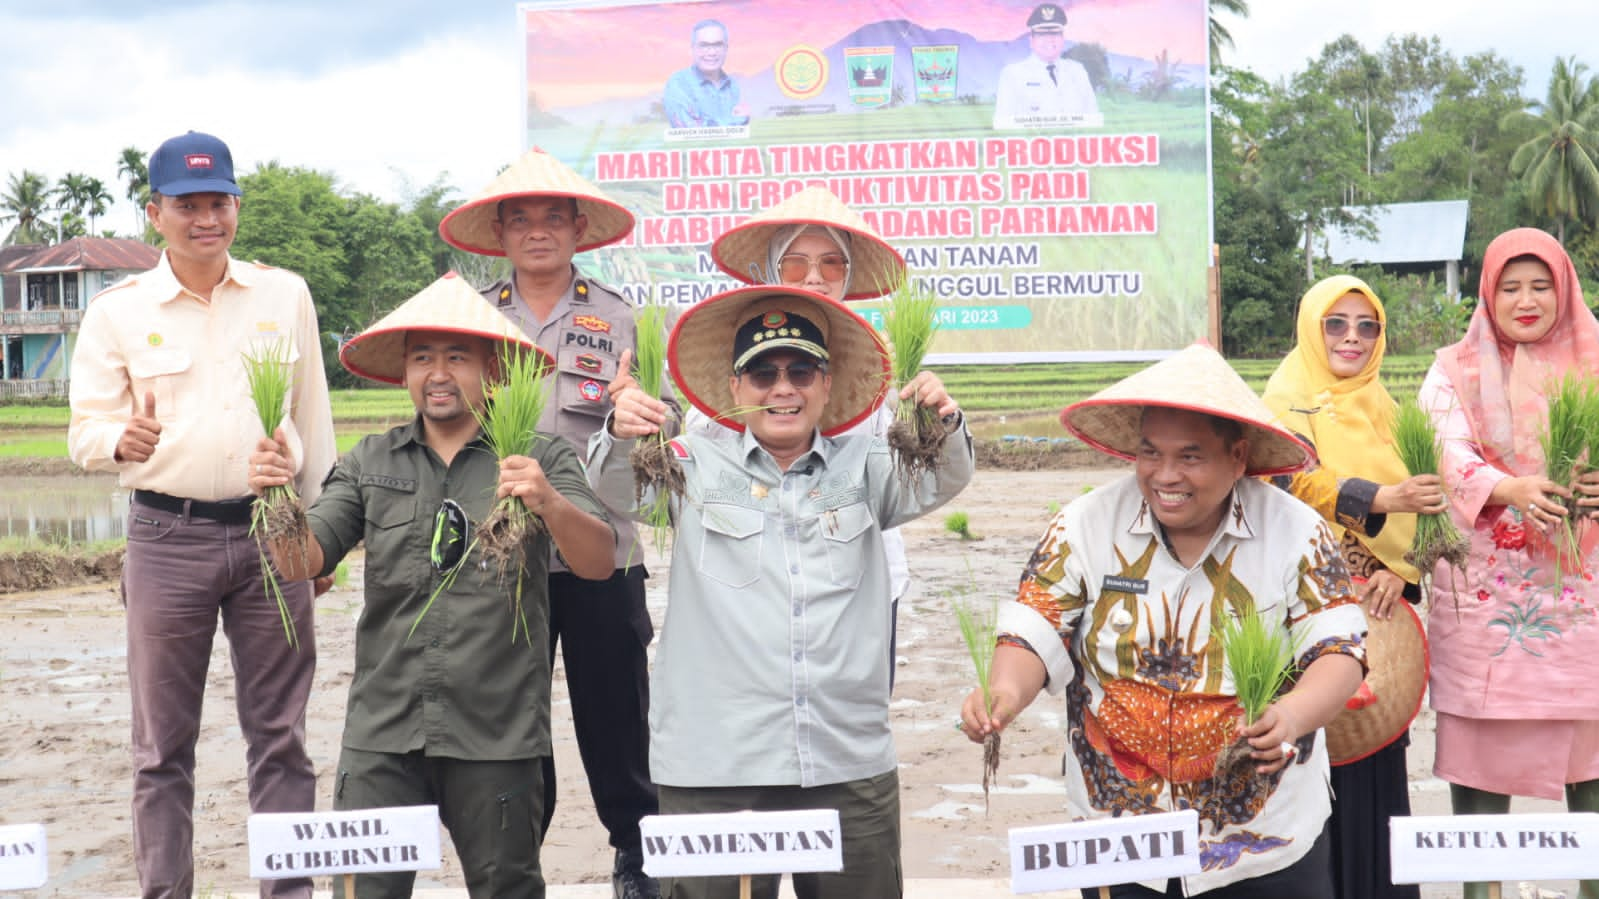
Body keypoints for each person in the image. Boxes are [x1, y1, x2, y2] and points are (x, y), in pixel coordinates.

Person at [594, 285, 975, 899]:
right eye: (763, 372)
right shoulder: (688, 466)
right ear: (736, 388)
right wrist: (621, 429)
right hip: (716, 767)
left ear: (826, 384)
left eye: (802, 370)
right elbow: (617, 487)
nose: (783, 388)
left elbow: (943, 476)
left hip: (844, 759)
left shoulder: (870, 466)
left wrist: (943, 418)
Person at [249, 272, 618, 899]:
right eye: (422, 357)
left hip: (496, 736)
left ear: (496, 371)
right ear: (405, 371)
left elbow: (599, 562)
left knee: (508, 888)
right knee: (364, 892)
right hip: (383, 731)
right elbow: (303, 560)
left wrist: (548, 501)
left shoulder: (541, 457)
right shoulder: (371, 461)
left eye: (456, 357)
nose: (437, 373)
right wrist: (276, 496)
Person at [960, 344, 1367, 898]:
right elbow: (1035, 625)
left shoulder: (1296, 532)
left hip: (1262, 843)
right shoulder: (1084, 526)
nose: (1165, 476)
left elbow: (1339, 650)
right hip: (1122, 840)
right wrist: (1003, 693)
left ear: (1239, 457)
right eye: (1150, 453)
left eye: (1191, 457)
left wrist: (1292, 716)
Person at [66, 130, 335, 899]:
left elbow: (312, 421)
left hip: (270, 530)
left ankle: (287, 893)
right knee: (161, 746)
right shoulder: (118, 312)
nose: (204, 217)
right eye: (187, 204)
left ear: (237, 208)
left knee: (281, 737)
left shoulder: (283, 295)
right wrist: (124, 436)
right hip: (165, 535)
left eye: (218, 201)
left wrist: (320, 540)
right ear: (156, 212)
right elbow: (83, 429)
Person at [439, 147, 667, 899]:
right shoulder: (469, 317)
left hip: (602, 548)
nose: (537, 231)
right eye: (521, 218)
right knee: (510, 716)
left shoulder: (621, 316)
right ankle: (513, 862)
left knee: (617, 714)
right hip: (503, 554)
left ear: (578, 228)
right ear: (500, 231)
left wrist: (646, 419)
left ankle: (636, 854)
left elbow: (655, 434)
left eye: (552, 217)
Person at [1418, 227, 1599, 899]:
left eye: (1540, 284)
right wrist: (1508, 488)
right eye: (1509, 286)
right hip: (1488, 608)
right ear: (1487, 293)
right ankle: (1478, 891)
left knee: (1592, 763)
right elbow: (1440, 444)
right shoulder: (1455, 368)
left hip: (1584, 603)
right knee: (1480, 772)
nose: (1525, 300)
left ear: (1564, 288)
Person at [1262, 275, 1448, 899]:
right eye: (1335, 323)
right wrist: (1380, 497)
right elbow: (1287, 480)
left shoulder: (1390, 412)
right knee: (1297, 766)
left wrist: (1403, 570)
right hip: (1296, 617)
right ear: (1310, 327)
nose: (1352, 337)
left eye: (1367, 325)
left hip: (1378, 633)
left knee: (1371, 768)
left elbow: (1430, 511)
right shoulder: (1283, 402)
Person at [707, 185, 915, 683]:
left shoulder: (880, 363)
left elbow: (912, 469)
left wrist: (900, 390)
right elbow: (702, 452)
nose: (816, 278)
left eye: (832, 265)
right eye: (797, 265)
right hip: (759, 575)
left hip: (859, 573)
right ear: (774, 270)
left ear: (849, 275)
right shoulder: (735, 355)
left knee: (853, 720)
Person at [992, 2, 1100, 130]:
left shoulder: (1077, 70)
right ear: (1031, 40)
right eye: (1042, 34)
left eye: (1055, 33)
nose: (1050, 39)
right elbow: (1003, 125)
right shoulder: (1012, 75)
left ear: (1062, 38)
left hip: (1073, 146)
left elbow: (1093, 119)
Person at [663, 19, 749, 129]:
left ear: (726, 49)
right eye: (704, 45)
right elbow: (690, 130)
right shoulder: (678, 83)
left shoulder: (733, 86)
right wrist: (739, 120)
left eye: (718, 45)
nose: (712, 52)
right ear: (692, 49)